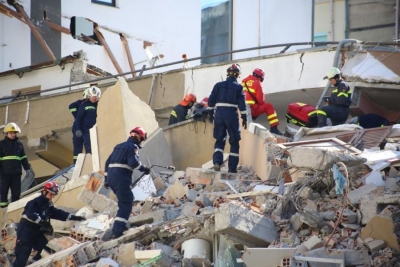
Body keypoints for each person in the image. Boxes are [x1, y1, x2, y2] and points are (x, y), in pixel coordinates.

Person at [13, 181, 85, 266]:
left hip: (37, 232)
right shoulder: (35, 202)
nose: (51, 198)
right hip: (26, 231)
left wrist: (73, 217)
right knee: (22, 255)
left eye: (53, 196)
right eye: (50, 195)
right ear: (44, 191)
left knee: (46, 249)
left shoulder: (48, 205)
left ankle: (35, 263)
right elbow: (31, 213)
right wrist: (42, 222)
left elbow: (57, 213)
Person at [102, 127, 150, 240]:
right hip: (121, 177)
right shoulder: (133, 147)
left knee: (123, 201)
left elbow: (107, 162)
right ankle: (117, 231)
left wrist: (106, 179)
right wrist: (144, 169)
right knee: (126, 202)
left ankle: (119, 226)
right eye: (142, 139)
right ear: (139, 137)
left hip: (111, 178)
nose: (141, 141)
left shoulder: (118, 146)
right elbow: (133, 162)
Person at [208, 63, 247, 173]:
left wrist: (211, 113)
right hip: (231, 115)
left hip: (219, 114)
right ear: (237, 75)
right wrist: (244, 117)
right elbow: (242, 105)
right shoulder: (239, 88)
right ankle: (232, 169)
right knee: (234, 141)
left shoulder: (218, 85)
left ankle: (217, 162)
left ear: (227, 73)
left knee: (219, 140)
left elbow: (211, 101)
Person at [0, 122, 34, 208]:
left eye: (14, 133)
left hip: (16, 174)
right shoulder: (1, 144)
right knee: (3, 192)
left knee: (16, 193)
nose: (13, 134)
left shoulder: (19, 145)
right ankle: (3, 210)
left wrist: (27, 169)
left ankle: (14, 209)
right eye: (11, 133)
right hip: (5, 173)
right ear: (6, 133)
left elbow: (23, 158)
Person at [241, 68, 283, 135]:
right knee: (269, 106)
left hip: (241, 109)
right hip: (252, 108)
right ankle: (274, 128)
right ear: (260, 77)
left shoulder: (243, 82)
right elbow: (261, 101)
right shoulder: (256, 82)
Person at [74, 86, 101, 154]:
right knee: (89, 147)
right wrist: (78, 129)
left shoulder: (98, 105)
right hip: (86, 130)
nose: (95, 99)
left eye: (96, 97)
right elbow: (78, 118)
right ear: (89, 96)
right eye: (93, 97)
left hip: (96, 129)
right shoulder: (84, 105)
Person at [69, 88, 89, 164]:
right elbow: (71, 106)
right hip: (78, 127)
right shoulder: (80, 103)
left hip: (86, 127)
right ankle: (76, 164)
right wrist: (77, 116)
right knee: (78, 147)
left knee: (88, 145)